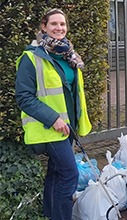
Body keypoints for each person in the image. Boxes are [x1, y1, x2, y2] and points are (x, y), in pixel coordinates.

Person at [15, 8, 92, 219]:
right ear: (44, 27)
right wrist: (53, 118)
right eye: (54, 24)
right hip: (48, 127)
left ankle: (50, 214)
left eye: (63, 24)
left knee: (56, 173)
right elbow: (24, 97)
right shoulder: (31, 57)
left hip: (67, 126)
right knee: (69, 174)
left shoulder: (68, 55)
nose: (59, 28)